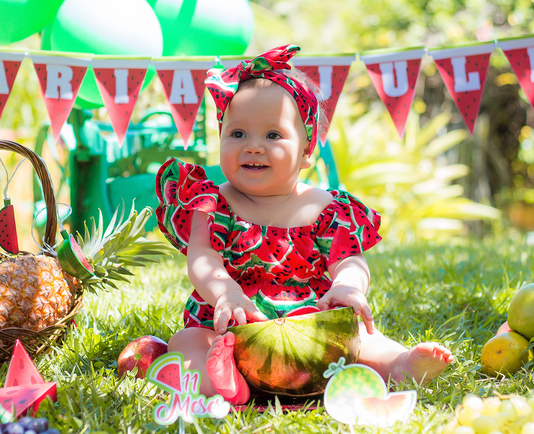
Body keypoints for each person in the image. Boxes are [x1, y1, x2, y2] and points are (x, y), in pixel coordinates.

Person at [155, 45, 453, 405]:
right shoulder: (212, 202)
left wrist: (348, 286)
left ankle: (402, 363)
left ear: (307, 150)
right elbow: (202, 257)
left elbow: (349, 259)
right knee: (186, 343)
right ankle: (228, 381)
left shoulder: (326, 208)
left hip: (314, 328)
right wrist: (225, 293)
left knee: (364, 338)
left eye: (272, 135)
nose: (252, 147)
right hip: (232, 326)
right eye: (237, 134)